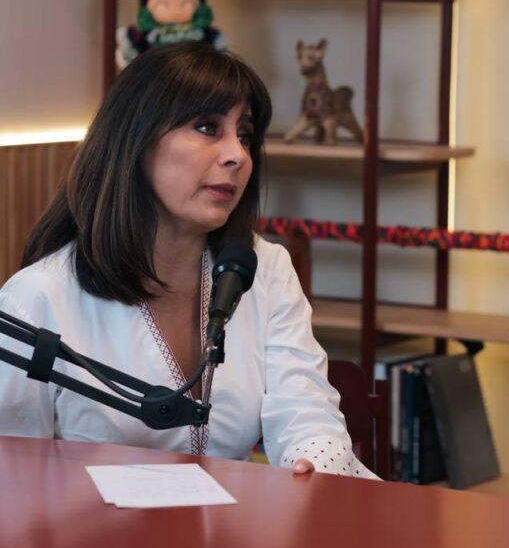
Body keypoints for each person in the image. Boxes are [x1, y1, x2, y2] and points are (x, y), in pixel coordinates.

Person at [0, 42, 374, 479]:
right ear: (136, 141)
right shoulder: (38, 298)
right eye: (207, 127)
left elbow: (306, 411)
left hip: (237, 536)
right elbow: (12, 476)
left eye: (245, 135)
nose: (237, 154)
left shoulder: (265, 267)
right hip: (93, 540)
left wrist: (313, 467)